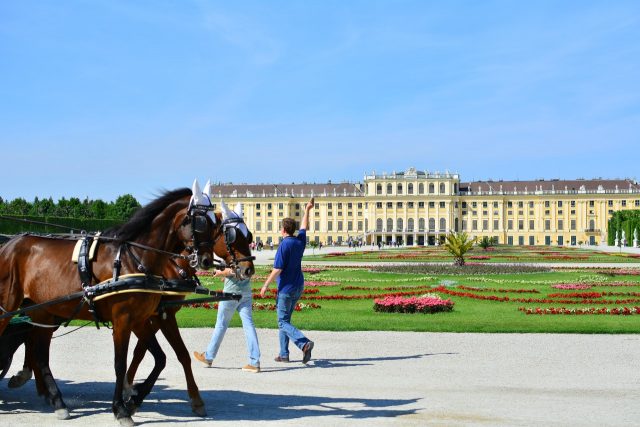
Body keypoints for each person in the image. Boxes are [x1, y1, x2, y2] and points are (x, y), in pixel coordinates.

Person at [260, 197, 315, 364]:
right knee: (285, 321)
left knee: (282, 322)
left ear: (283, 229)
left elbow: (278, 269)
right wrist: (307, 210)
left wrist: (265, 285)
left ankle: (304, 343)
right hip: (298, 286)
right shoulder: (299, 241)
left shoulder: (284, 245)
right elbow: (305, 225)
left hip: (286, 289)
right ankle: (284, 354)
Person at [193, 267, 261, 373]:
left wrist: (222, 272)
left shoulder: (236, 254)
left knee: (221, 325)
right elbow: (249, 271)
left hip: (231, 294)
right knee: (249, 326)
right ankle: (254, 362)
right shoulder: (246, 255)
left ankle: (208, 356)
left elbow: (234, 271)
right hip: (246, 293)